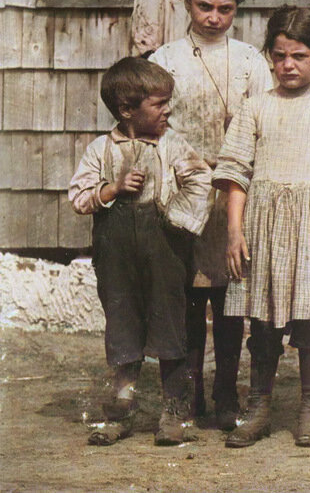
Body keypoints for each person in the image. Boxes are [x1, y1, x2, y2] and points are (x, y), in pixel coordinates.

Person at [215, 7, 310, 449]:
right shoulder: (254, 108)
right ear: (269, 59)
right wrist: (235, 232)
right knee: (261, 325)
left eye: (299, 55)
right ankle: (258, 407)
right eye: (279, 56)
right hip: (263, 228)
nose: (288, 65)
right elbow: (237, 174)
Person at [150, 0, 272, 431]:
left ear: (237, 8)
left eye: (225, 8)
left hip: (235, 195)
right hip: (181, 192)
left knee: (228, 303)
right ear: (185, 1)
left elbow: (263, 119)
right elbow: (152, 126)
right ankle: (183, 396)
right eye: (205, 7)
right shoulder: (166, 60)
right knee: (184, 301)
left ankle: (225, 394)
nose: (214, 18)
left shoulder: (249, 61)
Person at [69, 57, 213, 446]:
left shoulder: (174, 146)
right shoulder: (101, 149)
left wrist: (176, 216)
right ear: (127, 110)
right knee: (123, 323)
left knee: (170, 323)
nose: (168, 110)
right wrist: (112, 190)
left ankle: (174, 411)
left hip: (164, 249)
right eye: (159, 103)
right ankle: (122, 407)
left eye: (169, 101)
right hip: (116, 255)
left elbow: (202, 179)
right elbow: (79, 198)